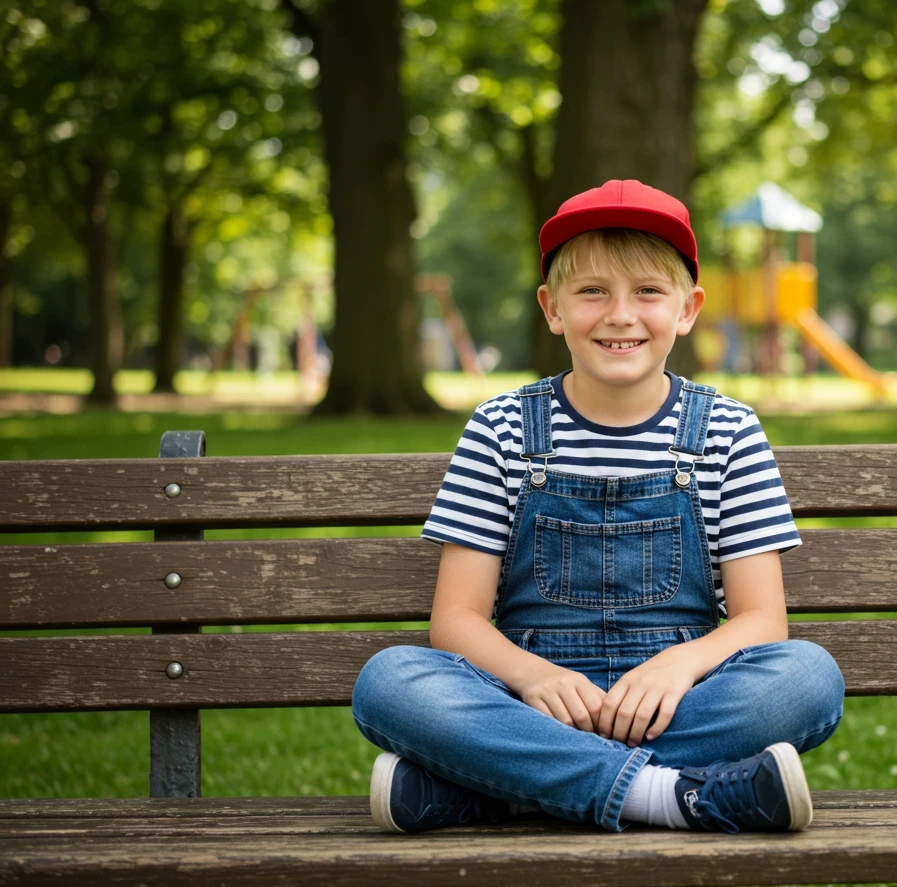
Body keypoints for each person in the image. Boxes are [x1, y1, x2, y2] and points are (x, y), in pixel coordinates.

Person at [351, 179, 846, 835]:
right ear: (552, 308)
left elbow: (761, 621)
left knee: (807, 678)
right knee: (389, 682)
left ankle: (506, 791)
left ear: (688, 308)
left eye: (648, 291)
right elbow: (456, 621)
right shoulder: (501, 430)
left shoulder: (728, 431)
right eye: (592, 292)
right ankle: (672, 796)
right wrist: (531, 677)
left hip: (678, 700)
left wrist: (679, 664)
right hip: (532, 702)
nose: (620, 314)